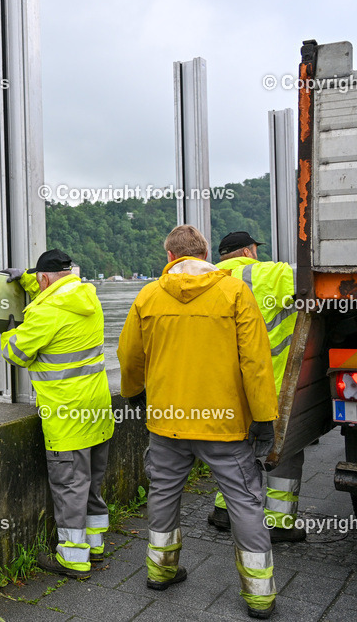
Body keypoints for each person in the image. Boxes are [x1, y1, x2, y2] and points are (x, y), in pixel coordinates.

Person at [118, 225, 279, 619]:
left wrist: (134, 393)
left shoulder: (148, 295)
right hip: (223, 423)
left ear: (169, 256)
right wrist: (264, 418)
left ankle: (160, 571)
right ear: (205, 254)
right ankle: (259, 594)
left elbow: (128, 356)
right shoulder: (235, 293)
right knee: (244, 501)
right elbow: (256, 363)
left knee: (163, 492)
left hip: (167, 420)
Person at [1, 249, 114, 579]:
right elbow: (54, 292)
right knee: (92, 485)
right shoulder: (86, 296)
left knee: (70, 488)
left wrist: (10, 330)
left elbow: (16, 353)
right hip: (97, 410)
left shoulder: (46, 311)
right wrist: (27, 278)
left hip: (67, 417)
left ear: (45, 278)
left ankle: (73, 558)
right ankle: (95, 545)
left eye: (38, 280)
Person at [207, 232, 303, 542]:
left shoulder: (207, 280)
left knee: (232, 451)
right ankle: (278, 521)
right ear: (250, 250)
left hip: (224, 390)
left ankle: (224, 512)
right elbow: (318, 278)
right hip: (271, 387)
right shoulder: (270, 273)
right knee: (284, 451)